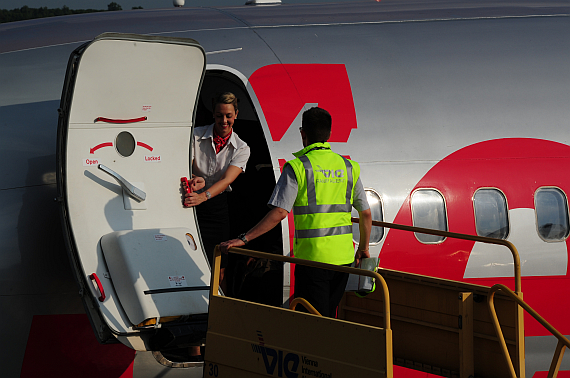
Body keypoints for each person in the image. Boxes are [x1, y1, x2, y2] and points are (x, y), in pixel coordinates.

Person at [220, 107, 372, 318]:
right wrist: (363, 248)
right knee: (329, 316)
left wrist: (244, 239)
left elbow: (280, 213)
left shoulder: (297, 168)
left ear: (303, 134)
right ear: (329, 134)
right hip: (344, 259)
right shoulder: (348, 167)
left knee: (312, 321)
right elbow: (365, 213)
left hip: (312, 260)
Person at [183, 92, 250, 292]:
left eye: (228, 116)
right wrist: (195, 177)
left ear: (236, 115)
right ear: (213, 114)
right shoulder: (195, 135)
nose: (224, 121)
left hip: (216, 207)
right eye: (220, 115)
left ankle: (220, 307)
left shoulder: (242, 148)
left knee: (219, 267)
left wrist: (204, 194)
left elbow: (227, 179)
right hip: (190, 201)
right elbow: (183, 164)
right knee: (188, 259)